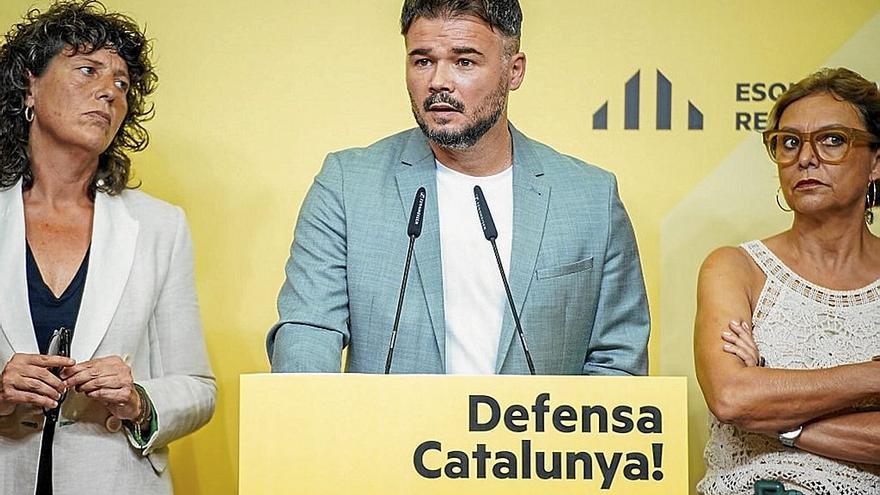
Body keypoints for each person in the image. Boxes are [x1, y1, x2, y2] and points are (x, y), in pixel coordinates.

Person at [267, 0, 649, 375]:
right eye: (423, 61)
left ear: (513, 71)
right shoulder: (347, 186)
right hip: (386, 436)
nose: (438, 82)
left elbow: (618, 361)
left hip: (532, 437)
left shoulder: (591, 199)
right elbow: (308, 332)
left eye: (464, 61)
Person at [0, 2, 216, 494]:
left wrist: (139, 399)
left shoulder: (161, 226)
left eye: (121, 84)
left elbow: (198, 389)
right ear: (28, 85)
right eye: (87, 69)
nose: (108, 92)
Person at [695, 67, 880, 494]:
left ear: (876, 161)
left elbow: (750, 406)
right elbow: (732, 398)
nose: (806, 157)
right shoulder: (734, 267)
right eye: (789, 142)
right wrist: (869, 379)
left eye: (833, 139)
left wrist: (778, 412)